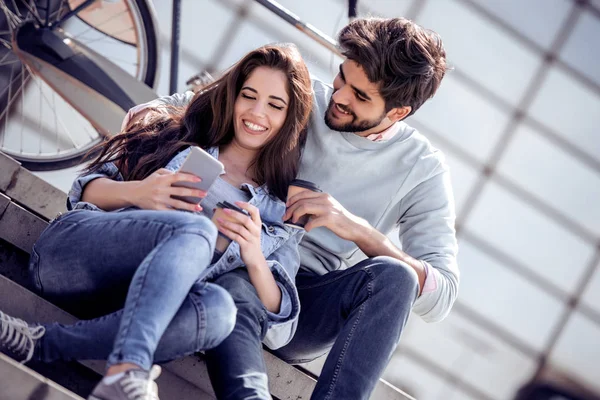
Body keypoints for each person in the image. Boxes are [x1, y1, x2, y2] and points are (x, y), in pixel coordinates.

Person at [134, 17, 459, 399]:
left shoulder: (423, 168)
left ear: (398, 113)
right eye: (343, 78)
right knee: (239, 283)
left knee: (396, 276)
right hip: (223, 251)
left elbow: (441, 295)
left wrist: (354, 228)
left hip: (303, 304)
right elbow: (156, 112)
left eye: (361, 96)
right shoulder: (297, 95)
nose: (339, 97)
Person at [0, 43, 313, 400]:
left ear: (291, 118)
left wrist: (255, 256)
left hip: (134, 307)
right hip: (74, 258)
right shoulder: (180, 133)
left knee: (221, 310)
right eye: (249, 96)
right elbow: (83, 191)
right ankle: (129, 369)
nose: (257, 113)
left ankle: (39, 342)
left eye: (275, 105)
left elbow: (280, 329)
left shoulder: (279, 214)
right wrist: (140, 193)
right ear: (234, 95)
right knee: (197, 229)